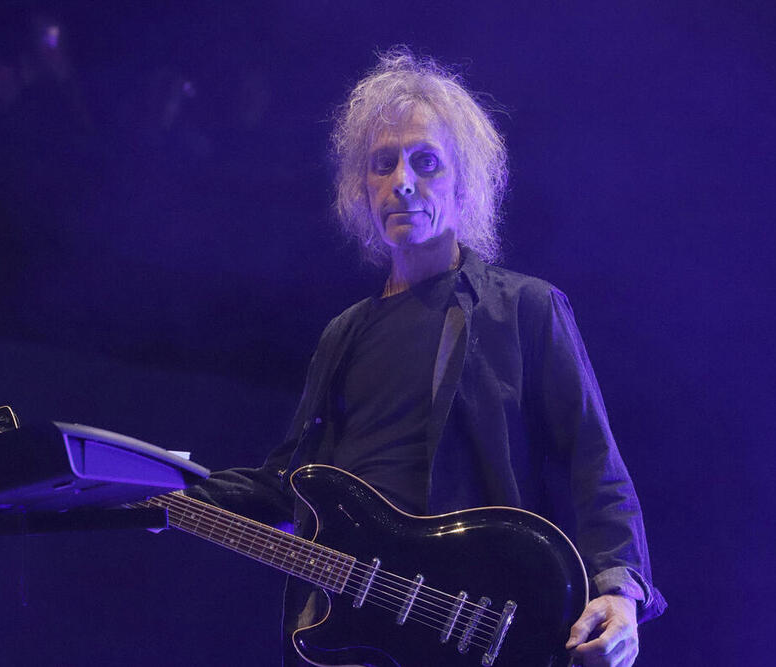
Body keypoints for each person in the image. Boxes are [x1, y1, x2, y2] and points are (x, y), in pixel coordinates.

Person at [186, 47, 666, 667]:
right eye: (382, 164)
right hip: (355, 638)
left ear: (465, 183)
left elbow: (595, 464)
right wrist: (146, 484)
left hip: (479, 622)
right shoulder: (343, 334)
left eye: (426, 161)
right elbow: (286, 486)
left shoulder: (526, 308)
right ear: (361, 188)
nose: (401, 181)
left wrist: (621, 590)